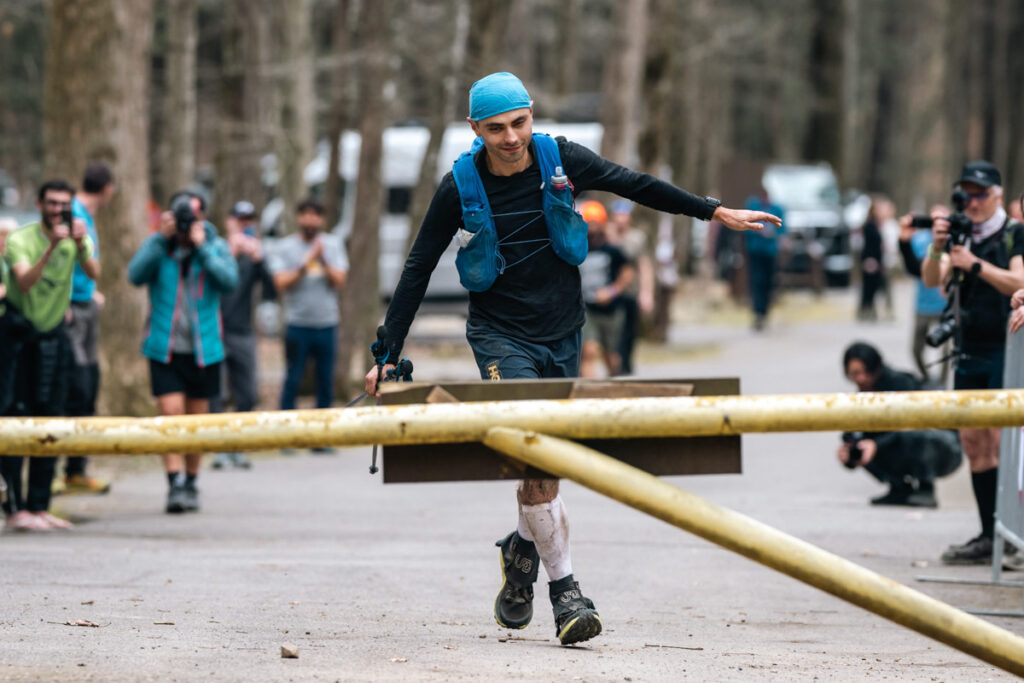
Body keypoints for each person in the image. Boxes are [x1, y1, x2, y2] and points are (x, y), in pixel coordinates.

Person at [363, 72, 780, 645]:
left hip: (563, 331)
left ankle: (520, 551)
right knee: (533, 445)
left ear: (531, 115)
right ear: (475, 130)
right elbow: (416, 268)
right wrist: (388, 353)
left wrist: (713, 212)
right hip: (498, 335)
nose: (510, 137)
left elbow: (635, 184)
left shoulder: (561, 159)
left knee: (546, 462)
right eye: (495, 128)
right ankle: (567, 593)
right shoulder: (457, 187)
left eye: (519, 123)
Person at [922, 160, 1024, 564]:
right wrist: (937, 246)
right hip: (968, 349)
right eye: (967, 194)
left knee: (1002, 442)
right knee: (973, 442)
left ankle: (1010, 534)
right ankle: (987, 533)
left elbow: (1020, 282)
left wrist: (976, 266)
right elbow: (933, 279)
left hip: (1005, 347)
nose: (974, 202)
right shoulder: (960, 234)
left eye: (981, 193)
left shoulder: (1014, 232)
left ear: (997, 194)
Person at [128, 191, 238, 514]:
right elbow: (134, 275)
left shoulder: (214, 246)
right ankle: (174, 482)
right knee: (171, 415)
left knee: (196, 423)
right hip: (165, 348)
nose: (188, 222)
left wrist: (202, 246)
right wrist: (159, 240)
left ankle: (191, 481)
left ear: (204, 216)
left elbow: (230, 281)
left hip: (205, 350)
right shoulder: (160, 247)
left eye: (194, 215)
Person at [1, 179, 99, 531]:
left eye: (65, 204)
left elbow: (95, 275)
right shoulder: (20, 239)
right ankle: (14, 508)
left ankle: (40, 506)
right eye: (53, 203)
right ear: (40, 203)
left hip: (55, 338)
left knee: (52, 418)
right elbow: (24, 282)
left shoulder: (76, 237)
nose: (59, 210)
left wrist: (81, 246)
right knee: (14, 417)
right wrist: (51, 248)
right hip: (17, 337)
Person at [267, 197, 347, 453]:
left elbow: (340, 280)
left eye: (316, 215)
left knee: (325, 382)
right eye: (306, 215)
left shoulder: (333, 245)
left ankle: (321, 439)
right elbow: (280, 283)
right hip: (297, 325)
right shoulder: (286, 247)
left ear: (322, 220)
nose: (311, 220)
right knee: (292, 379)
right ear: (298, 218)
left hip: (326, 324)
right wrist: (304, 264)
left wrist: (322, 260)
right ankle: (286, 438)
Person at [838, 342, 962, 507]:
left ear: (875, 368)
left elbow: (914, 426)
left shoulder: (900, 383)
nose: (860, 378)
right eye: (854, 374)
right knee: (865, 443)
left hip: (944, 447)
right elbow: (852, 435)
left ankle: (926, 487)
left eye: (864, 372)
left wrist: (876, 444)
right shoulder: (862, 396)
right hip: (907, 444)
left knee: (909, 435)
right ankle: (899, 488)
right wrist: (849, 454)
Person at [58, 162, 115, 496]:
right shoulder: (74, 212)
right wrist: (62, 301)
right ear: (107, 188)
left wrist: (89, 293)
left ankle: (77, 469)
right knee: (74, 385)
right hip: (71, 312)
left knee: (89, 382)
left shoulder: (86, 216)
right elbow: (60, 257)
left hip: (86, 304)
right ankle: (61, 467)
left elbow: (86, 263)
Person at [209, 200, 276, 470]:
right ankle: (219, 449)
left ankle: (237, 447)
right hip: (215, 330)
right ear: (229, 222)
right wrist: (231, 254)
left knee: (246, 393)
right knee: (217, 395)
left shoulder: (255, 255)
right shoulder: (215, 250)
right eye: (240, 219)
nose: (244, 225)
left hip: (243, 332)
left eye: (250, 220)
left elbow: (272, 291)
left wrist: (261, 260)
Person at [579, 201, 635, 377]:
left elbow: (628, 273)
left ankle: (614, 390)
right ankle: (590, 396)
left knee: (611, 356)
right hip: (587, 309)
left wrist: (611, 291)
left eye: (595, 223)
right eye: (589, 223)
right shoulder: (578, 250)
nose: (592, 229)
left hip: (611, 310)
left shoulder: (612, 250)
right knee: (588, 350)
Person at [897, 206, 949, 385]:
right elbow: (914, 267)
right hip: (923, 305)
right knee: (916, 349)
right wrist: (904, 241)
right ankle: (927, 379)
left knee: (948, 350)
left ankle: (942, 383)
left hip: (945, 305)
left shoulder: (954, 239)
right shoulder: (919, 239)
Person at [607, 200, 654, 374]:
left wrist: (646, 293)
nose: (621, 219)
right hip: (610, 292)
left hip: (630, 292)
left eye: (624, 215)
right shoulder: (606, 234)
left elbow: (644, 266)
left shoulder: (637, 238)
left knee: (629, 332)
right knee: (613, 332)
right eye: (617, 215)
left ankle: (626, 367)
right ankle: (614, 365)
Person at [743, 187, 786, 331]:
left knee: (768, 283)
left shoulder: (777, 209)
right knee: (757, 282)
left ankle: (765, 312)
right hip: (756, 251)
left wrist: (772, 233)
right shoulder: (753, 208)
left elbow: (782, 229)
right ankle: (757, 313)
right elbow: (745, 227)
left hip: (770, 252)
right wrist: (759, 231)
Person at [858, 197, 886, 321]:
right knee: (868, 288)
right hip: (871, 260)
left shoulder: (875, 224)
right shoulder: (870, 225)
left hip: (876, 259)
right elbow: (869, 245)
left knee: (873, 287)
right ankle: (865, 312)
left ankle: (869, 311)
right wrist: (869, 259)